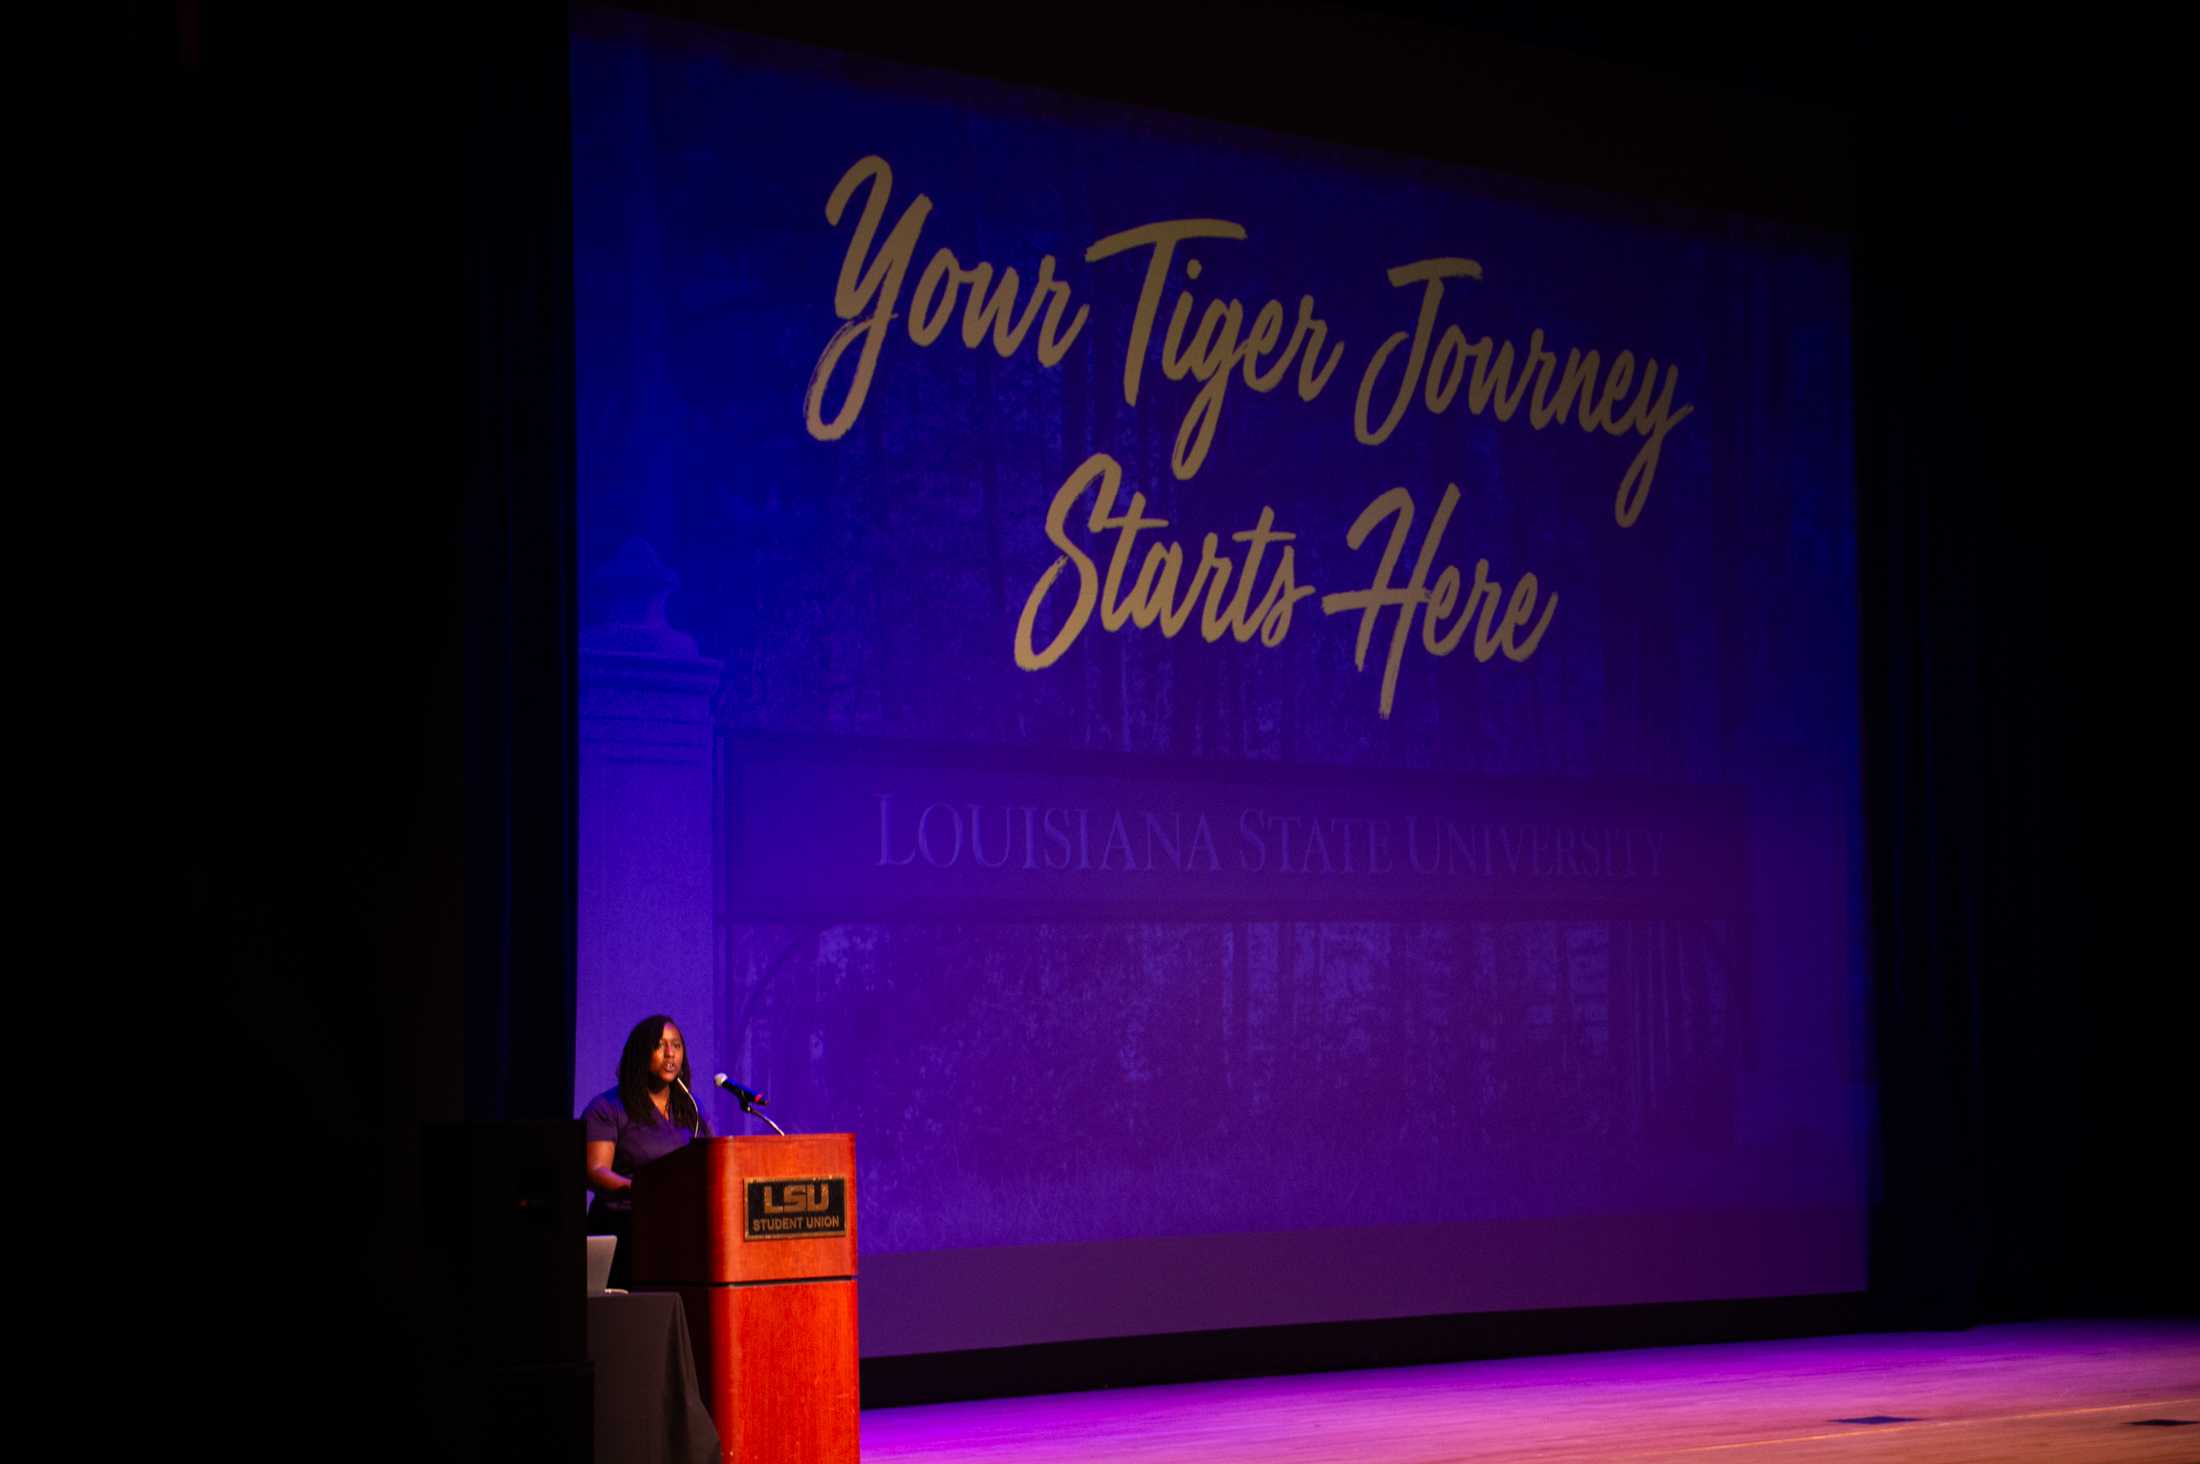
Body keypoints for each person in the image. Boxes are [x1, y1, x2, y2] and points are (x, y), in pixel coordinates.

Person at [582, 1013, 713, 1289]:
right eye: (660, 1045)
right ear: (641, 1053)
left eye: (676, 1045)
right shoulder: (608, 1108)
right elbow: (595, 1171)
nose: (670, 1054)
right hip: (625, 1229)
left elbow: (711, 1161)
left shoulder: (690, 1109)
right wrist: (641, 1190)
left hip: (678, 1233)